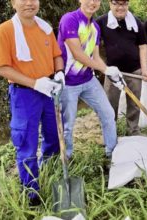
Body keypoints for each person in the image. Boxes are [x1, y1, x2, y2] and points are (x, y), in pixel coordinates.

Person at [0, 0, 64, 206]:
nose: (29, 3)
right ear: (13, 3)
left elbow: (57, 55)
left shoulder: (45, 28)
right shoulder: (5, 30)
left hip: (49, 89)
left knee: (53, 135)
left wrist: (59, 73)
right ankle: (32, 193)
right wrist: (34, 83)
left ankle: (51, 175)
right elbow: (2, 67)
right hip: (24, 95)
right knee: (27, 143)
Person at [57, 0, 122, 158]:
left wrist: (110, 72)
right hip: (67, 83)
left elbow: (96, 57)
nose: (92, 2)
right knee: (68, 124)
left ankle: (111, 152)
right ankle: (67, 157)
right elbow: (78, 54)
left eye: (96, 0)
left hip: (88, 80)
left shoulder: (96, 27)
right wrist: (105, 69)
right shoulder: (69, 19)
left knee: (108, 113)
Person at [96, 0, 147, 136]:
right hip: (112, 73)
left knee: (134, 103)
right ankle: (110, 133)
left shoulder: (136, 22)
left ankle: (133, 130)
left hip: (134, 71)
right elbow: (93, 45)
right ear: (110, 4)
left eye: (124, 4)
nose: (120, 7)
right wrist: (103, 67)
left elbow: (143, 46)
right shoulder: (101, 22)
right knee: (110, 105)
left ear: (127, 5)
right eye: (116, 4)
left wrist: (144, 70)